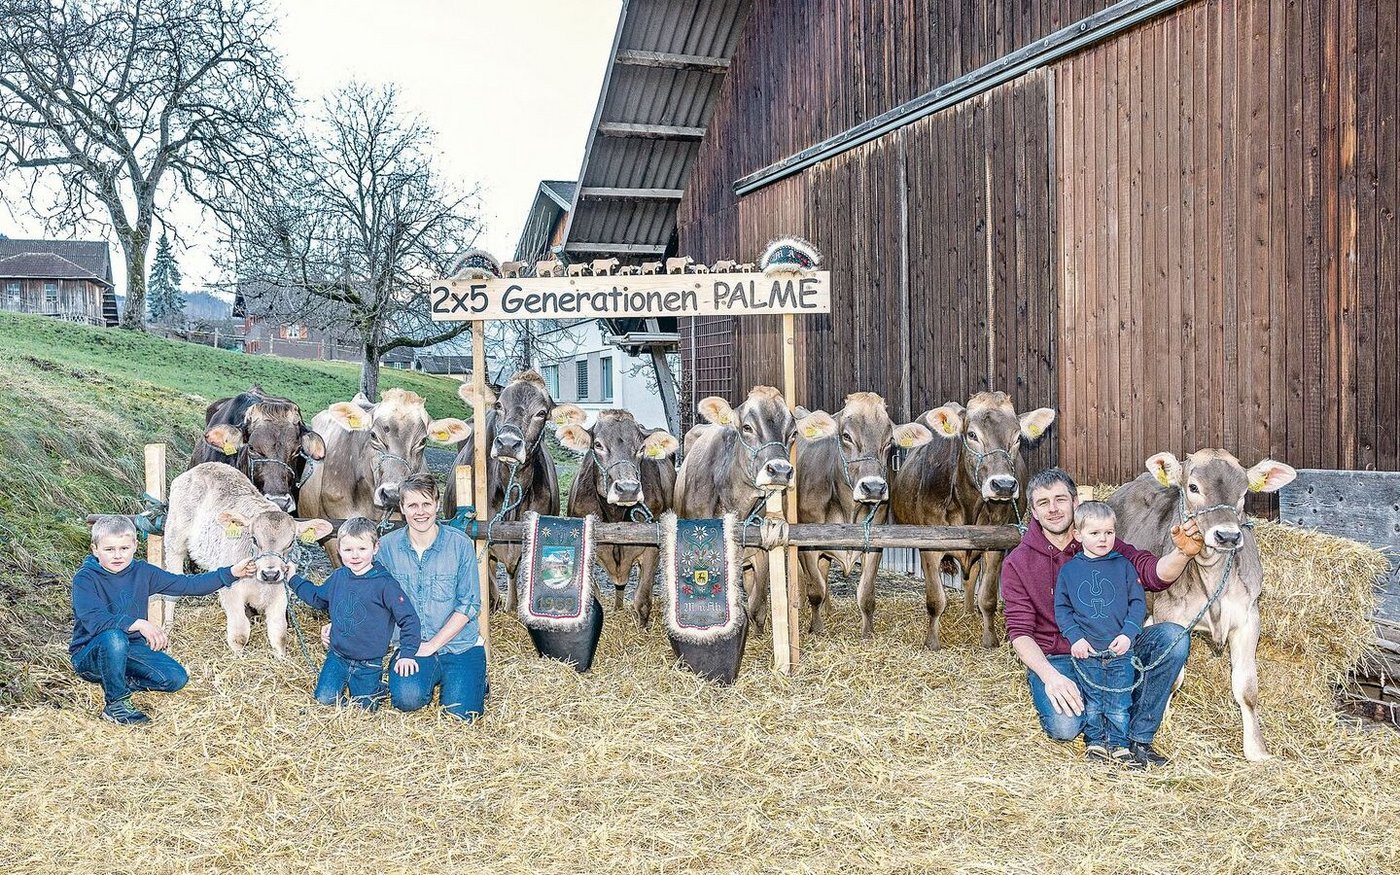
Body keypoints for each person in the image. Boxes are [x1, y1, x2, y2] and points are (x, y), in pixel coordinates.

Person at [1001, 468, 1204, 768]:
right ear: (1033, 510)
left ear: (1074, 501)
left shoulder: (1100, 542)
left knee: (1172, 637)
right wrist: (1051, 677)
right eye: (1043, 502)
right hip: (1061, 657)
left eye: (1060, 499)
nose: (1053, 509)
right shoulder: (1018, 563)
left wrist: (1182, 554)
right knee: (1064, 728)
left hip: (1114, 649)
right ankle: (1099, 707)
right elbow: (1019, 632)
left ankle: (1137, 736)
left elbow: (1152, 573)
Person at [71, 514, 255, 725]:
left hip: (130, 649)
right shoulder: (85, 578)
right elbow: (94, 620)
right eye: (109, 549)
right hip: (91, 655)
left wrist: (231, 572)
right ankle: (116, 704)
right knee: (114, 637)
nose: (117, 555)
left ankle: (117, 680)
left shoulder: (142, 572)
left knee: (175, 678)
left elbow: (187, 585)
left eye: (124, 548)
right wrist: (139, 623)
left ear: (134, 545)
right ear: (95, 549)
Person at [377, 473, 486, 721]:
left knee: (462, 715)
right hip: (412, 646)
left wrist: (432, 646)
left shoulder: (460, 545)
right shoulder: (386, 548)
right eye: (413, 505)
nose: (420, 512)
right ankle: (434, 679)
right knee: (407, 699)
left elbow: (469, 604)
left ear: (437, 504)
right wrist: (340, 626)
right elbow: (369, 597)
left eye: (426, 504)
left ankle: (473, 680)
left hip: (459, 646)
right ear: (402, 508)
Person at [289, 517, 421, 711]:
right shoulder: (338, 577)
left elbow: (409, 618)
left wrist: (408, 653)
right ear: (339, 550)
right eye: (348, 550)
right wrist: (293, 579)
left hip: (369, 663)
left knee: (363, 710)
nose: (355, 556)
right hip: (337, 657)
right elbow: (318, 598)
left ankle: (378, 689)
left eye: (362, 549)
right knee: (324, 700)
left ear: (375, 548)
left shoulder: (385, 585)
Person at [1052, 501, 1146, 766]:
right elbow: (1063, 608)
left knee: (1119, 699)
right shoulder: (1070, 571)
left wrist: (1128, 634)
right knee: (1092, 700)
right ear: (1078, 535)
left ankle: (1118, 744)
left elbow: (1137, 603)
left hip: (1120, 650)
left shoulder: (1123, 566)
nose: (1103, 539)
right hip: (1087, 650)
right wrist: (1075, 638)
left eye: (1109, 532)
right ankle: (1095, 743)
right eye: (1095, 533)